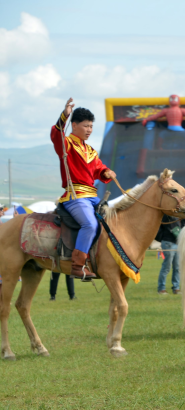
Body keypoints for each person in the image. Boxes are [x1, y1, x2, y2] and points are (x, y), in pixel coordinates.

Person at [51, 98, 116, 279]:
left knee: (114, 221)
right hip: (75, 196)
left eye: (91, 126)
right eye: (86, 125)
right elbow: (55, 133)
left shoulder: (91, 151)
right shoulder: (66, 144)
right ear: (74, 125)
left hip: (93, 196)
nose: (89, 130)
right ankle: (77, 266)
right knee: (89, 224)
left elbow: (98, 168)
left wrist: (106, 172)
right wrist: (65, 114)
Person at [156, 215, 181, 295]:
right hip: (168, 242)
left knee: (177, 267)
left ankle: (176, 288)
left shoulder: (177, 215)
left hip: (176, 243)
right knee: (167, 267)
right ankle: (161, 289)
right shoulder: (167, 215)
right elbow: (173, 228)